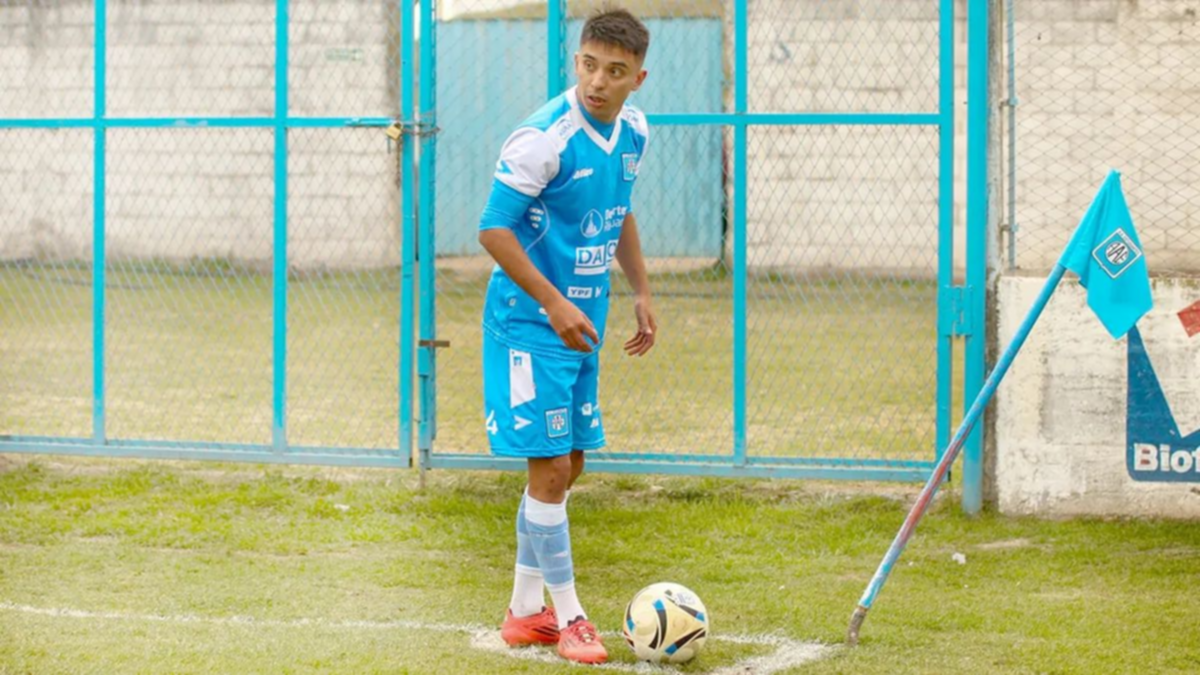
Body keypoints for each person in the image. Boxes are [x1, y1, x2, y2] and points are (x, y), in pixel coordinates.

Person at [476, 6, 656, 666]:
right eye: (588, 65)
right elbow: (493, 228)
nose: (598, 82)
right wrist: (551, 302)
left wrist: (639, 288)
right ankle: (572, 617)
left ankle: (525, 612)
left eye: (615, 71)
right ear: (574, 60)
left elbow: (616, 210)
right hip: (530, 323)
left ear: (639, 77)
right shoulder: (542, 138)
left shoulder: (634, 131)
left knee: (570, 464)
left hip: (584, 324)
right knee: (550, 468)